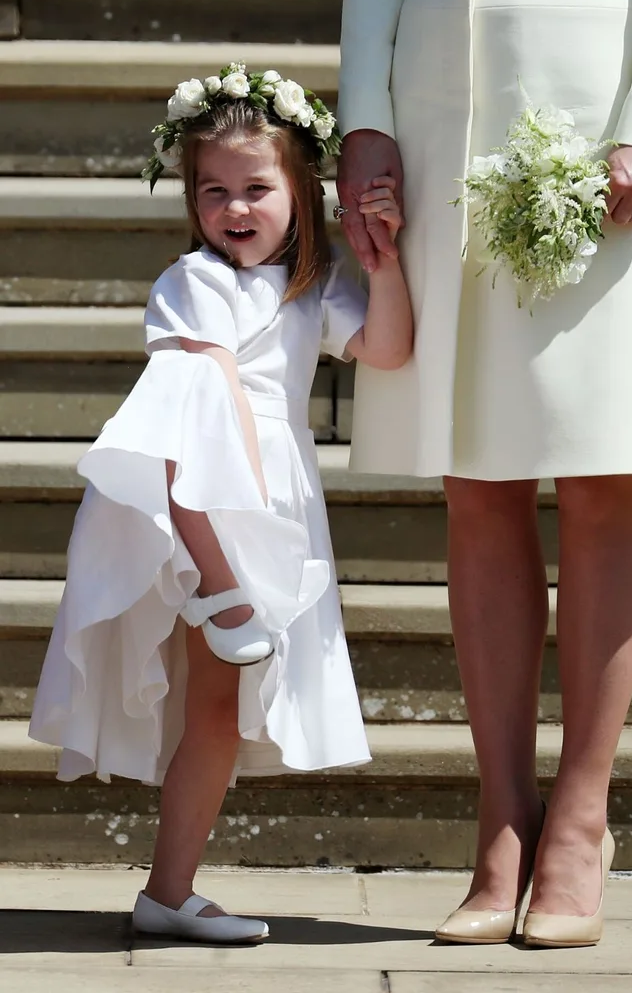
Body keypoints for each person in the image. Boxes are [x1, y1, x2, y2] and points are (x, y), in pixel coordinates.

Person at [29, 64, 413, 943]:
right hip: (189, 492)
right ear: (191, 199)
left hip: (271, 491)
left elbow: (388, 350)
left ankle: (169, 890)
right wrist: (226, 539)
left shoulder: (314, 288)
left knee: (214, 708)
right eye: (215, 191)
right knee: (201, 378)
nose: (235, 209)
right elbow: (201, 405)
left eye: (256, 189)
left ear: (299, 190)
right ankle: (215, 579)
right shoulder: (190, 279)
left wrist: (382, 263)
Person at [337, 0, 632, 948]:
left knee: (596, 462)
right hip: (438, 108)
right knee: (474, 476)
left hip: (597, 113)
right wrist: (365, 111)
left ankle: (578, 823)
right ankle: (501, 820)